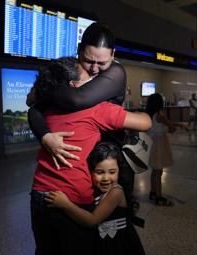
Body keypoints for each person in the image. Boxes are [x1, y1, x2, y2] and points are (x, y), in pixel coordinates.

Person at [30, 57, 151, 254]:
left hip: (39, 194)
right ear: (74, 85)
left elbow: (32, 107)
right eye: (88, 76)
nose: (95, 78)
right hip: (72, 198)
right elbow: (145, 122)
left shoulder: (48, 108)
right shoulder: (96, 109)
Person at [27, 22, 139, 212]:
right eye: (88, 60)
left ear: (113, 55)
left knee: (110, 225)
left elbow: (77, 100)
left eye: (102, 62)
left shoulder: (116, 72)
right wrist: (45, 136)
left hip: (105, 160)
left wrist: (44, 87)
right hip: (79, 163)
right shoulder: (73, 71)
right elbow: (34, 109)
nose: (95, 69)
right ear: (79, 50)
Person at [45, 142, 145, 255]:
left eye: (112, 172)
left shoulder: (116, 192)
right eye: (99, 172)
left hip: (118, 245)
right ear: (90, 172)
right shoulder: (98, 192)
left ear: (119, 172)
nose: (106, 178)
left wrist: (65, 204)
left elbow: (92, 220)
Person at [145, 93, 184, 206]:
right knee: (158, 171)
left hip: (153, 142)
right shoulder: (160, 114)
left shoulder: (149, 114)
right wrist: (176, 126)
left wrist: (179, 124)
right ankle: (159, 196)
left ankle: (152, 191)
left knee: (155, 170)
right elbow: (171, 128)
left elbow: (166, 124)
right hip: (160, 144)